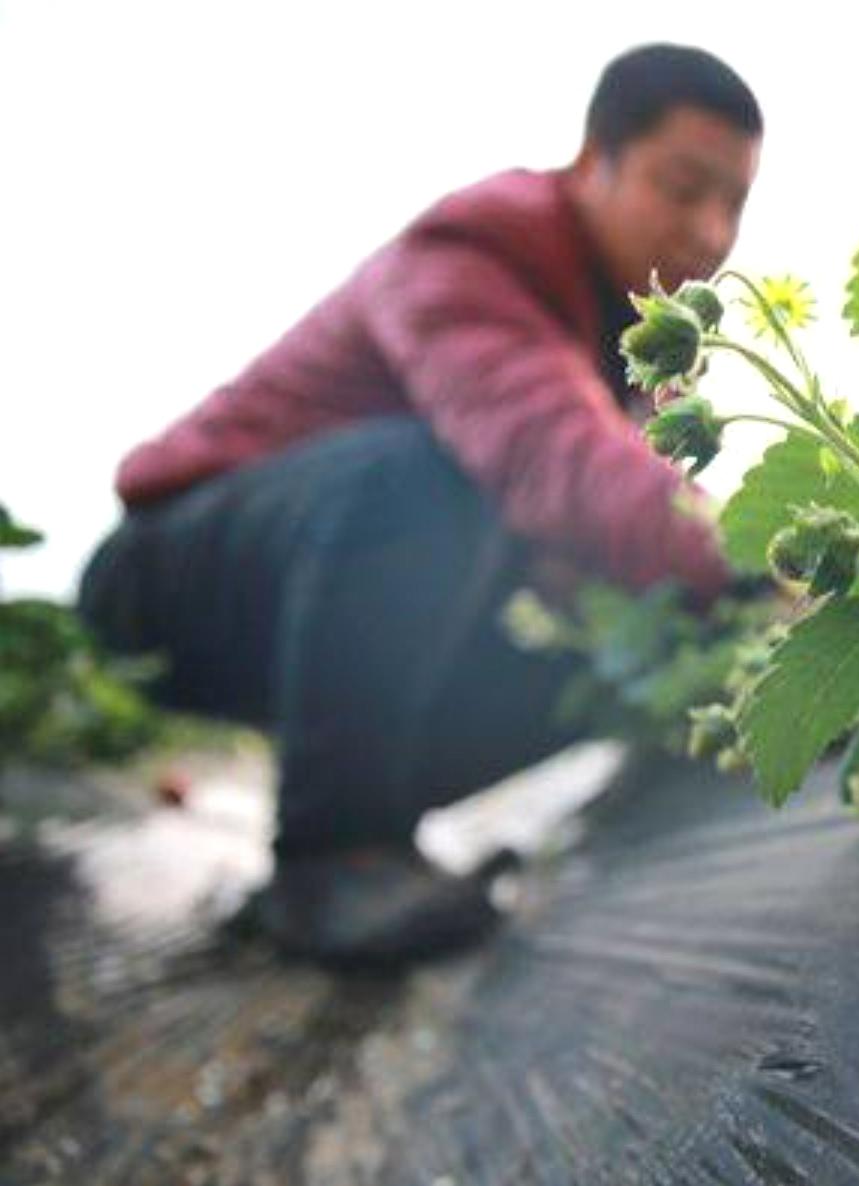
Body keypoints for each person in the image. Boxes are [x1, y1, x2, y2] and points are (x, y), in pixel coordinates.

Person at [77, 44, 762, 965]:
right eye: (684, 189)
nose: (711, 233)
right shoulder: (477, 249)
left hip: (326, 613)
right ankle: (332, 859)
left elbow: (639, 519)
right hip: (170, 579)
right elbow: (552, 460)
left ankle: (377, 834)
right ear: (593, 157)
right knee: (436, 475)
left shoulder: (632, 351)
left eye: (735, 206)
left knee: (601, 649)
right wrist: (769, 560)